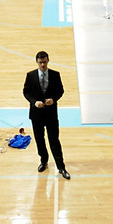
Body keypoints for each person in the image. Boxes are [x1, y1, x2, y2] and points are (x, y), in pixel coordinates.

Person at [23, 51, 68, 179]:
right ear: (36, 62)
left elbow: (60, 90)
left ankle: (61, 167)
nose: (43, 65)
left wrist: (53, 99)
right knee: (39, 140)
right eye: (40, 62)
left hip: (51, 114)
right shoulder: (30, 75)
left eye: (44, 62)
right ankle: (44, 160)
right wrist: (34, 102)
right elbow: (26, 92)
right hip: (36, 114)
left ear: (48, 60)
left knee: (54, 140)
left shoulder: (55, 75)